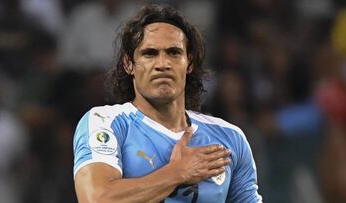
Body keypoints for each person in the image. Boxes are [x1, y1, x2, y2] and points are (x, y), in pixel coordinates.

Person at [73, 4, 262, 203]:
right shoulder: (106, 123)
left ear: (189, 63)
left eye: (173, 52)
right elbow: (95, 198)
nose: (162, 64)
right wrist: (177, 173)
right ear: (129, 64)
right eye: (150, 53)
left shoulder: (229, 138)